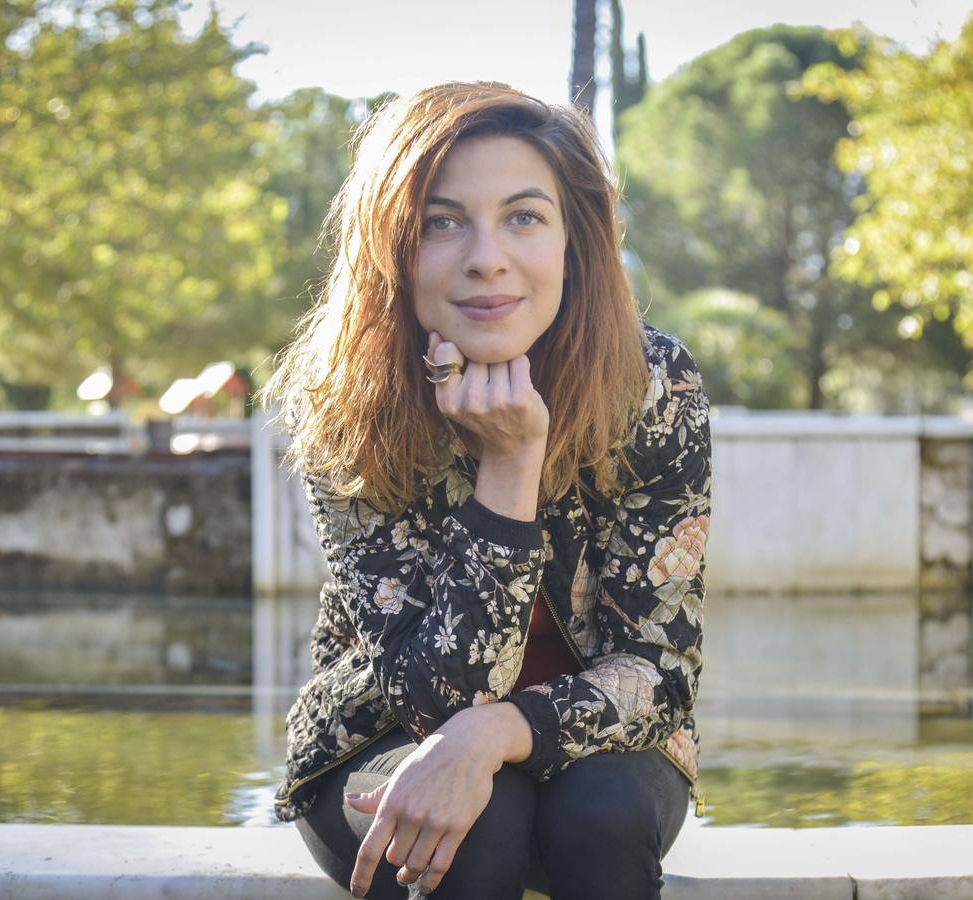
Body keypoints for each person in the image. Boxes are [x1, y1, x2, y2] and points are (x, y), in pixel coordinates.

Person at [261, 81, 712, 900]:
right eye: (442, 222)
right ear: (392, 249)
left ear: (575, 240)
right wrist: (509, 467)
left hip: (603, 743)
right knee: (480, 823)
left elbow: (660, 671)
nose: (487, 257)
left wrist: (501, 731)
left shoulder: (652, 385)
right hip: (382, 735)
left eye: (524, 217)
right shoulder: (344, 399)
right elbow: (433, 702)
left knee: (603, 816)